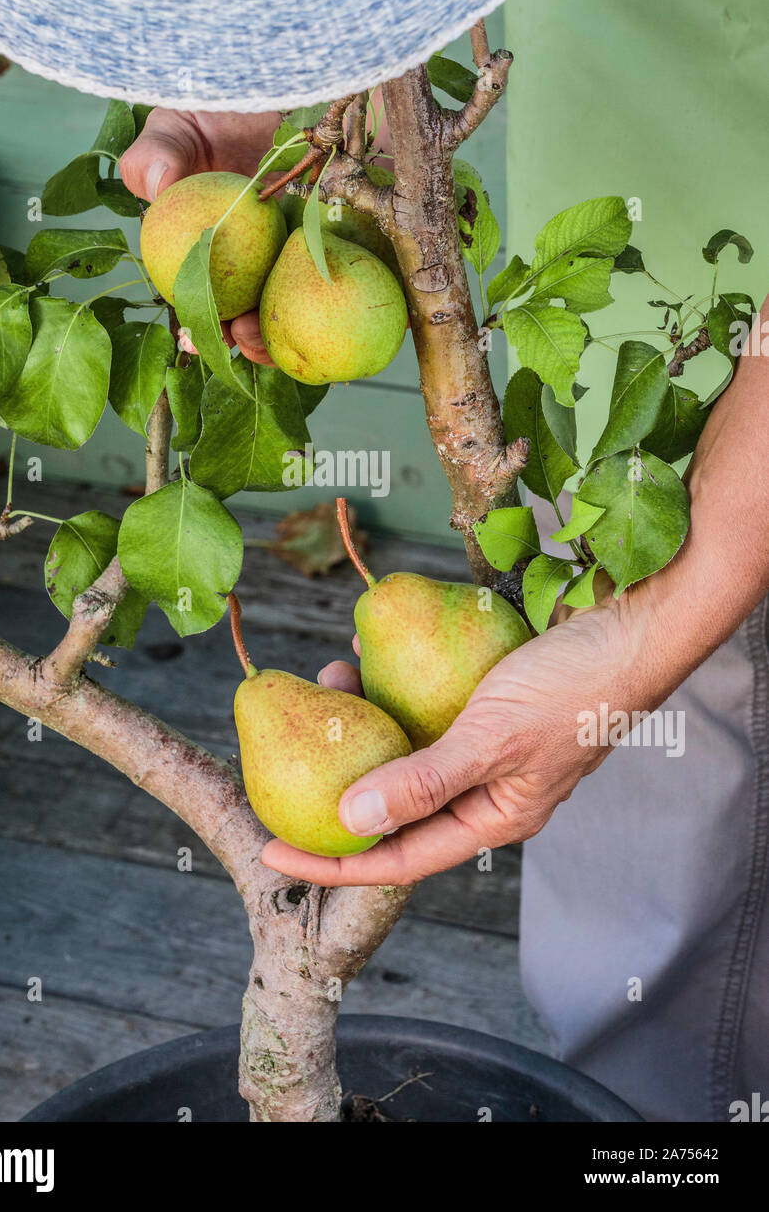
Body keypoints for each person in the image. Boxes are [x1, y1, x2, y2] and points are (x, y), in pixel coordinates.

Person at [121, 108, 769, 1122]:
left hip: (732, 370)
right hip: (608, 292)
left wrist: (675, 609)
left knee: (700, 733)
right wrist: (297, 99)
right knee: (620, 817)